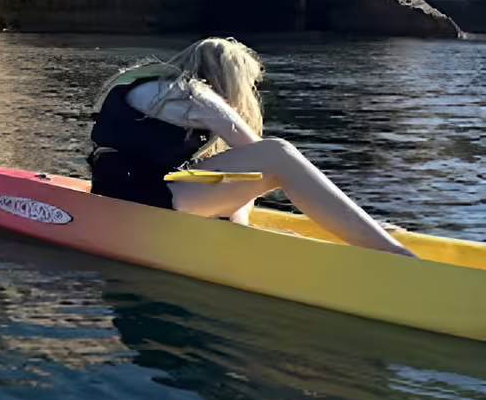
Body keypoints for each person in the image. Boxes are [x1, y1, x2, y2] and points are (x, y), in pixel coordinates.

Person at [88, 37, 413, 256]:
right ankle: (390, 253)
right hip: (142, 200)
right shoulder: (194, 94)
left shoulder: (147, 85)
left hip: (116, 192)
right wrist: (352, 221)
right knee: (277, 154)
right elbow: (264, 160)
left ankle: (244, 239)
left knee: (233, 173)